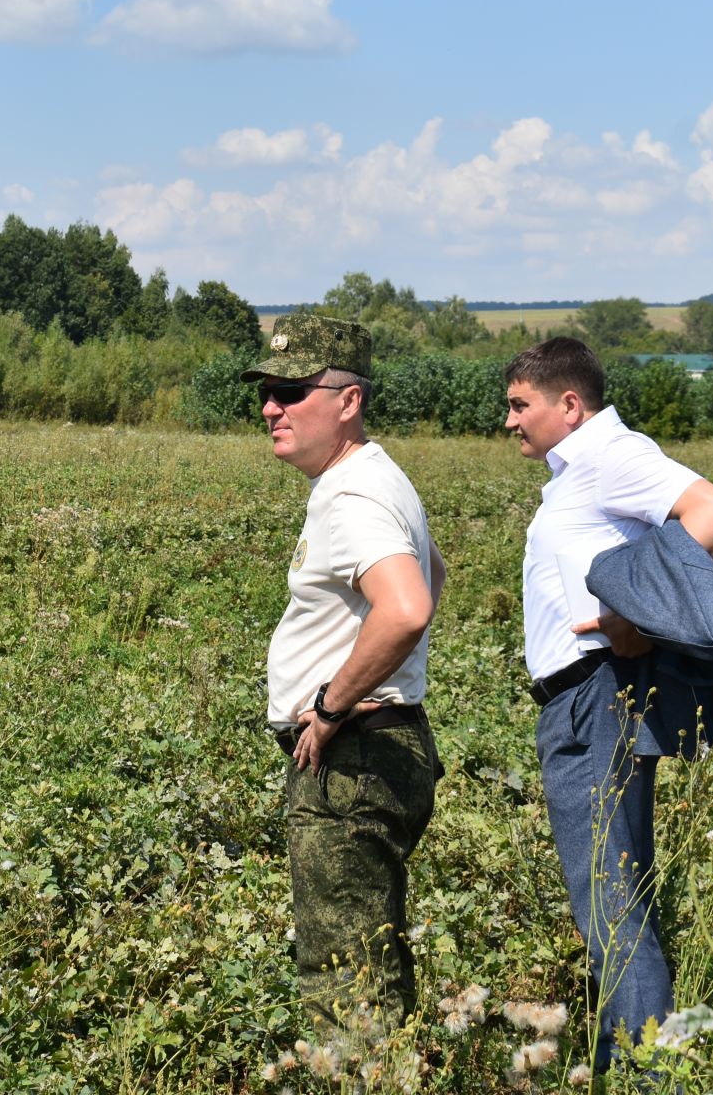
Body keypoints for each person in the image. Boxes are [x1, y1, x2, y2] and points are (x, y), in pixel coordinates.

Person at [503, 336, 713, 1073]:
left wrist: (633, 621)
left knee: (612, 911)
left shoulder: (610, 454)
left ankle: (650, 1078)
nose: (509, 421)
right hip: (589, 700)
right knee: (614, 901)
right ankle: (635, 1067)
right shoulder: (578, 468)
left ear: (569, 406)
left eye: (521, 406)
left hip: (593, 698)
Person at [243, 313, 446, 1034]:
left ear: (349, 400)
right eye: (267, 391)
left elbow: (408, 606)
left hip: (350, 757)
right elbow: (434, 575)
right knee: (372, 964)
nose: (271, 407)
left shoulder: (353, 493)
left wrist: (329, 707)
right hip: (376, 748)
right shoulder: (375, 479)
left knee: (346, 994)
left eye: (293, 391)